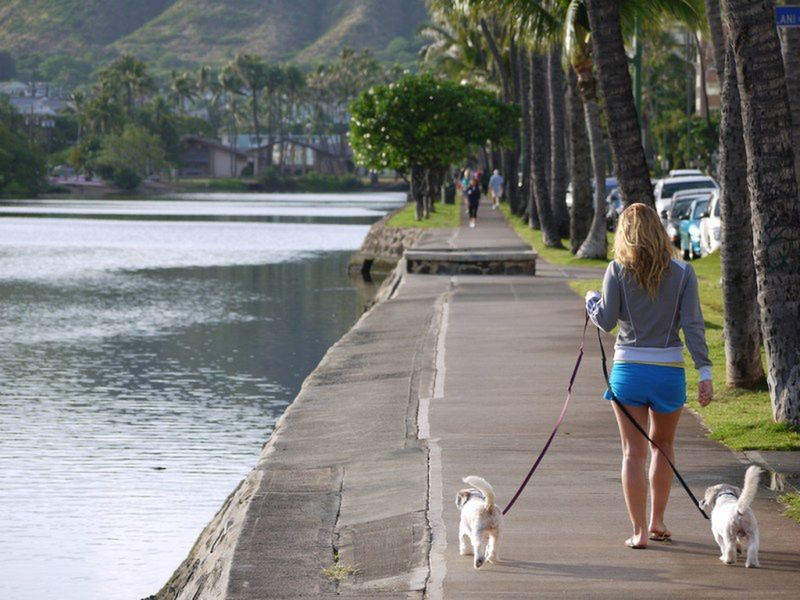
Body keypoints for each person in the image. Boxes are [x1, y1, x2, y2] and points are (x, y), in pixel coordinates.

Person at [584, 203, 713, 550]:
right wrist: (705, 370)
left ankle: (639, 532)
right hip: (669, 371)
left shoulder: (616, 270)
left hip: (628, 372)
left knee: (632, 453)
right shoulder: (684, 273)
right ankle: (658, 520)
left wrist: (591, 301)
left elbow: (607, 320)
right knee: (664, 447)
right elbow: (693, 326)